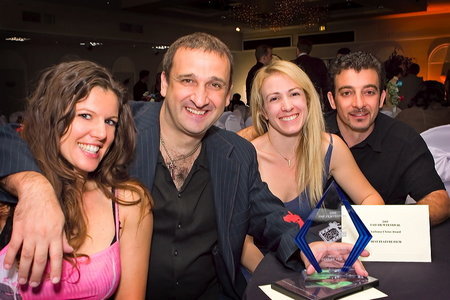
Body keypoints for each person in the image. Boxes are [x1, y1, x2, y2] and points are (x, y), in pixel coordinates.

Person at [0, 33, 369, 299]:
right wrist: (33, 186)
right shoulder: (116, 127)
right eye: (187, 80)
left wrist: (307, 243)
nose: (200, 97)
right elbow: (26, 133)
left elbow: (267, 212)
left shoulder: (235, 154)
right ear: (163, 83)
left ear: (227, 96)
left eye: (214, 85)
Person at [0, 61, 153, 298]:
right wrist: (32, 186)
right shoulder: (10, 194)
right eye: (85, 115)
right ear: (50, 118)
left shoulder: (127, 203)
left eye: (110, 121)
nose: (102, 134)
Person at [239, 60, 384, 273]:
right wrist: (278, 280)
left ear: (308, 99)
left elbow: (371, 199)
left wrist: (349, 242)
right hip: (262, 270)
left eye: (294, 94)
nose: (287, 105)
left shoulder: (329, 147)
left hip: (317, 263)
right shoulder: (247, 159)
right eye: (274, 98)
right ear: (262, 110)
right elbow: (243, 244)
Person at [325, 51, 450, 225]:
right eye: (347, 93)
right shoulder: (314, 136)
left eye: (369, 92)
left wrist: (390, 221)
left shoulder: (403, 139)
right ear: (332, 100)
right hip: (315, 240)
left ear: (382, 98)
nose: (359, 104)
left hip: (382, 243)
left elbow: (439, 200)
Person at [292, 38, 331, 113]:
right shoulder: (318, 62)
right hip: (316, 100)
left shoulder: (293, 64)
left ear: (297, 49)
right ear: (310, 50)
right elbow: (326, 84)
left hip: (298, 100)